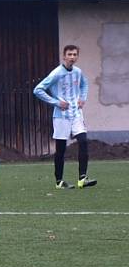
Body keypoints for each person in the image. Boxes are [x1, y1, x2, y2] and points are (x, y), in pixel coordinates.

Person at [33, 45, 96, 189]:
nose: (72, 57)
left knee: (83, 141)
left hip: (76, 114)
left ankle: (82, 178)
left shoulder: (78, 72)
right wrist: (56, 102)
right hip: (61, 116)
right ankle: (59, 181)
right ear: (64, 56)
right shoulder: (56, 73)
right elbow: (38, 90)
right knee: (61, 149)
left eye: (75, 54)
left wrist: (83, 98)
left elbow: (84, 84)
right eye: (70, 54)